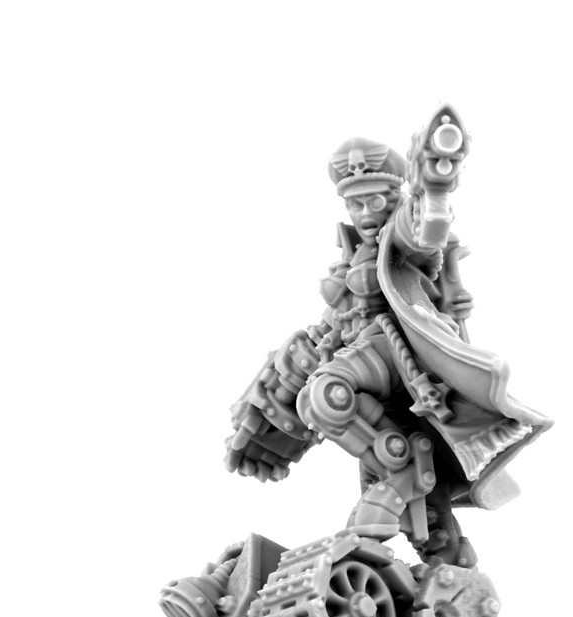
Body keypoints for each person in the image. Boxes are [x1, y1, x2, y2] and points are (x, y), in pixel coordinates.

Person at [224, 107, 552, 567]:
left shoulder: (395, 239)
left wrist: (434, 184)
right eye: (355, 204)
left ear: (393, 196)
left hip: (394, 357)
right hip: (370, 377)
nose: (364, 213)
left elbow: (424, 231)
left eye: (374, 201)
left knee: (327, 396)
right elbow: (337, 321)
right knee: (423, 513)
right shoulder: (352, 253)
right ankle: (452, 570)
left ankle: (404, 472)